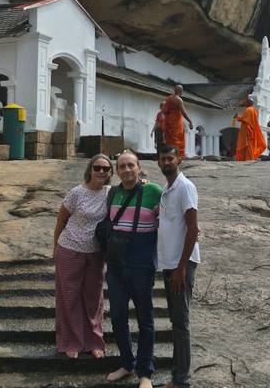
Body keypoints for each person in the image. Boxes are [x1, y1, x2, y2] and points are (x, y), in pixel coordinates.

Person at [106, 149, 163, 387]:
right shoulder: (112, 194)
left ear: (139, 167)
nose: (127, 170)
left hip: (141, 261)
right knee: (118, 316)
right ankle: (127, 363)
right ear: (117, 171)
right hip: (117, 263)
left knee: (145, 318)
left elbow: (170, 218)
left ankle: (145, 372)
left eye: (131, 165)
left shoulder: (154, 191)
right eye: (122, 166)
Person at [53, 153, 113, 359]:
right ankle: (71, 341)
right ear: (90, 169)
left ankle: (94, 341)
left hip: (95, 253)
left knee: (93, 299)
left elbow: (132, 188)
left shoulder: (110, 193)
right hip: (69, 248)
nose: (101, 172)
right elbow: (61, 221)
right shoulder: (76, 193)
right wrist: (55, 249)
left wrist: (143, 180)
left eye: (106, 169)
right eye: (97, 167)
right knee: (69, 297)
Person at [157, 145, 200, 388]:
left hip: (181, 264)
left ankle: (182, 381)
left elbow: (193, 228)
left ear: (178, 159)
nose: (166, 162)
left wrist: (182, 268)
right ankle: (178, 376)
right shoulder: (167, 189)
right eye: (162, 159)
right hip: (170, 262)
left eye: (170, 158)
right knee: (176, 320)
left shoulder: (185, 187)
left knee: (181, 322)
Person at [162, 85, 193, 159]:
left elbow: (164, 111)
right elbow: (183, 112)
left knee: (170, 139)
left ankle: (171, 154)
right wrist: (190, 121)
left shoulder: (168, 98)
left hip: (169, 121)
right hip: (177, 122)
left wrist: (168, 117)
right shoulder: (179, 100)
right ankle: (179, 155)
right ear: (180, 91)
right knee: (179, 139)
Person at [234, 96, 267, 161]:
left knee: (247, 144)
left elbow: (244, 119)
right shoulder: (254, 110)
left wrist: (237, 116)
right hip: (251, 129)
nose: (245, 104)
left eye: (246, 103)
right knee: (249, 144)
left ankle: (247, 158)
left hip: (246, 129)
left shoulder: (248, 110)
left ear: (249, 103)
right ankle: (248, 157)